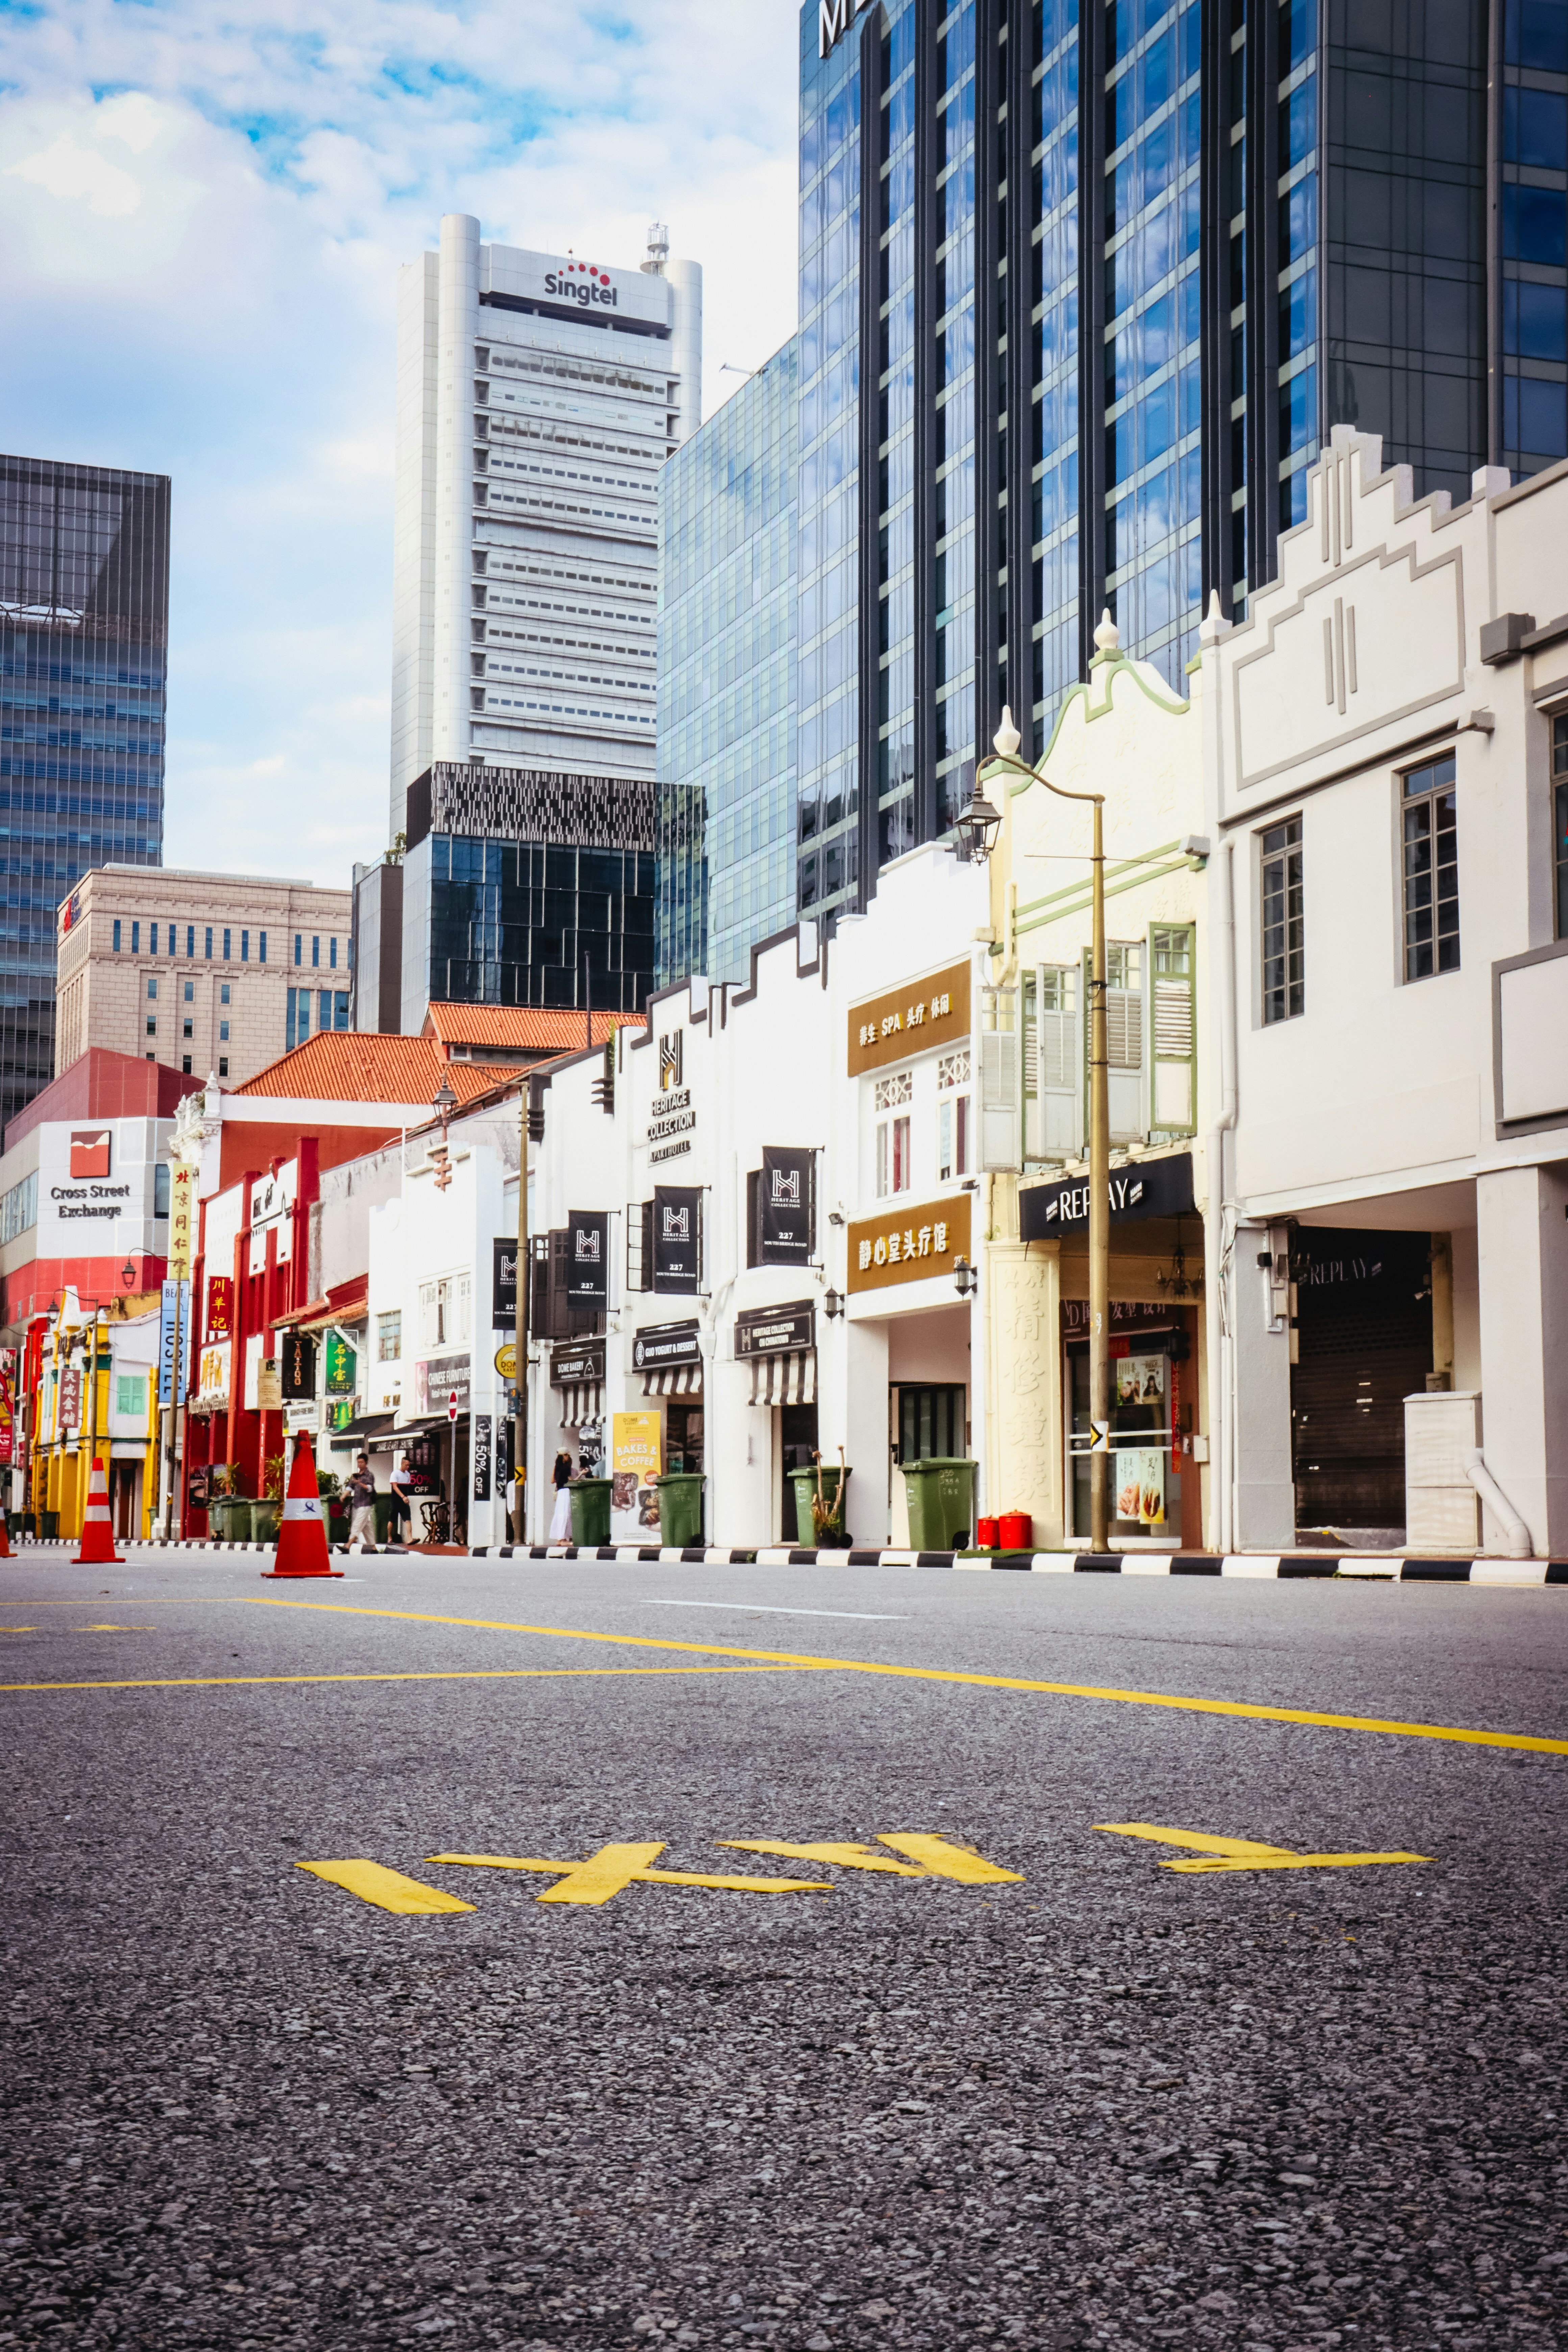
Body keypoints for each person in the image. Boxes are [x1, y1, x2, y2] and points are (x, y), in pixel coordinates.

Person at [345, 1453, 377, 1551]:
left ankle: (348, 1545)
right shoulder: (355, 1476)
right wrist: (344, 1496)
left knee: (357, 1524)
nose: (359, 1464)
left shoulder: (369, 1475)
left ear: (366, 1463)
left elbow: (370, 1489)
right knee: (366, 1526)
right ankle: (373, 1548)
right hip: (356, 1504)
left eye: (361, 1462)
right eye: (358, 1462)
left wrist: (360, 1483)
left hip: (365, 1504)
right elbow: (350, 1487)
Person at [548, 1449, 574, 1541]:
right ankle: (563, 1539)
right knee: (566, 1514)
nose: (569, 1457)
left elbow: (552, 1481)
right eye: (567, 1455)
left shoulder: (556, 1467)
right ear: (564, 1456)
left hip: (560, 1492)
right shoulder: (566, 1468)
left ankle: (560, 1539)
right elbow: (571, 1480)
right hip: (566, 1491)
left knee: (560, 1514)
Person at [389, 1452, 415, 1541]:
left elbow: (407, 1488)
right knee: (392, 1520)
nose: (408, 1467)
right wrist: (403, 1497)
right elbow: (395, 1487)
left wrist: (406, 1498)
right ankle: (389, 1537)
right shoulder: (395, 1473)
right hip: (396, 1500)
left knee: (408, 1519)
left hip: (404, 1501)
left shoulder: (408, 1475)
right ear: (402, 1464)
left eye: (409, 1465)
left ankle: (410, 1538)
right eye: (406, 1465)